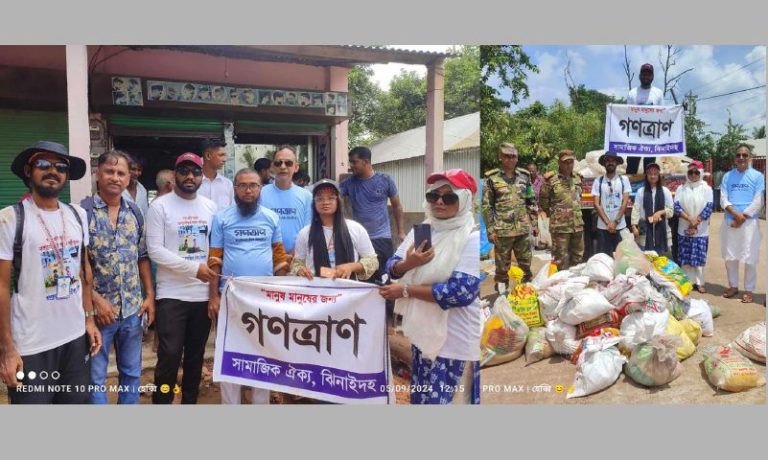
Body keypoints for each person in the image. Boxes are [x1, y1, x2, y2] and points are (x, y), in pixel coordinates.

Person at [0, 141, 101, 403]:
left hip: (76, 338)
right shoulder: (10, 219)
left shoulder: (77, 215)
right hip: (31, 346)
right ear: (28, 170)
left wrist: (89, 320)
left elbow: (84, 273)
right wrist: (7, 349)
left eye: (60, 166)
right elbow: (1, 287)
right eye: (43, 164)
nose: (52, 171)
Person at [378, 169, 480, 404]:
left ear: (464, 200)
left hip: (454, 341)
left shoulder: (471, 237)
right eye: (434, 196)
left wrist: (405, 290)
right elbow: (391, 266)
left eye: (449, 197)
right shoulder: (425, 229)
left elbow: (459, 292)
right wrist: (409, 263)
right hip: (423, 335)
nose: (440, 202)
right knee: (422, 399)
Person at [208, 168, 288, 405]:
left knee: (261, 352)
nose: (248, 190)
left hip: (263, 297)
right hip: (231, 297)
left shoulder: (271, 217)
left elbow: (280, 259)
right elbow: (214, 259)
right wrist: (213, 296)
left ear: (260, 188)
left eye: (253, 185)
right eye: (242, 185)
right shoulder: (222, 217)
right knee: (229, 353)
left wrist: (280, 294)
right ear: (234, 189)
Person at [83, 151, 155, 404]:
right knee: (95, 377)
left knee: (132, 373)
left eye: (121, 173)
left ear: (128, 178)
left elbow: (142, 256)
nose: (115, 177)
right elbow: (77, 267)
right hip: (98, 314)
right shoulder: (83, 213)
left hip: (132, 311)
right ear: (98, 174)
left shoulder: (134, 213)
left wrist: (149, 296)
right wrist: (95, 302)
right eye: (109, 172)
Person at [146, 152, 218, 404]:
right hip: (172, 295)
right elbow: (154, 251)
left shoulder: (210, 207)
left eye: (195, 172)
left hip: (201, 296)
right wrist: (193, 269)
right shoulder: (159, 206)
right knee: (170, 355)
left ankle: (190, 402)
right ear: (175, 174)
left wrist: (213, 293)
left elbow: (214, 250)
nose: (190, 176)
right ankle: (162, 403)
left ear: (202, 175)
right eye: (184, 171)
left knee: (196, 357)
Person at [340, 146, 406, 285]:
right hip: (359, 240)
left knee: (384, 279)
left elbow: (397, 206)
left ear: (365, 162)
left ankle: (387, 307)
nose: (351, 166)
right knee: (363, 281)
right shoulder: (348, 184)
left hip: (382, 238)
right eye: (350, 162)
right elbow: (333, 197)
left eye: (354, 162)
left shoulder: (385, 180)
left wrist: (401, 232)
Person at [291, 179, 378, 282]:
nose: (325, 202)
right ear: (314, 203)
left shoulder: (355, 228)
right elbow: (297, 263)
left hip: (348, 291)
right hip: (316, 290)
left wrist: (351, 266)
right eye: (320, 199)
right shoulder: (305, 233)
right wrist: (300, 270)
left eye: (331, 198)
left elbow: (372, 261)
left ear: (338, 201)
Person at [482, 143, 538, 286]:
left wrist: (534, 224)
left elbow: (531, 202)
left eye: (513, 156)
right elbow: (487, 206)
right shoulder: (492, 179)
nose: (511, 159)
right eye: (507, 156)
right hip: (502, 232)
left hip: (522, 230)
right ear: (500, 157)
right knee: (502, 269)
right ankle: (502, 296)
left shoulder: (525, 177)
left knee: (525, 266)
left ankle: (526, 295)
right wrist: (490, 230)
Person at [720, 144, 765, 304]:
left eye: (744, 155)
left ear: (750, 157)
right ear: (734, 158)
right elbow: (723, 198)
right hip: (730, 221)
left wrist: (743, 216)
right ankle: (733, 286)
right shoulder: (727, 176)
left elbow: (759, 200)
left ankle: (749, 289)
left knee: (750, 256)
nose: (741, 158)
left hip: (749, 222)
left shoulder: (757, 176)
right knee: (730, 255)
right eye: (738, 155)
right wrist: (735, 215)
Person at [259, 145, 313, 256]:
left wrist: (291, 255)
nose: (283, 167)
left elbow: (309, 231)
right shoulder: (260, 193)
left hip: (297, 258)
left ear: (296, 167)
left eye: (288, 163)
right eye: (278, 163)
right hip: (266, 258)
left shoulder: (306, 196)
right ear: (273, 167)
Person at [539, 150, 584, 270]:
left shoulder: (578, 178)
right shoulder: (551, 180)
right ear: (559, 162)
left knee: (578, 257)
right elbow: (543, 201)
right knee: (561, 259)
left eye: (571, 162)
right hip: (560, 227)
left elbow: (580, 198)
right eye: (566, 162)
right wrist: (554, 215)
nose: (569, 165)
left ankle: (575, 284)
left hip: (577, 225)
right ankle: (561, 285)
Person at [674, 161, 713, 293]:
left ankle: (700, 282)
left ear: (700, 173)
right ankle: (687, 282)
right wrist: (689, 219)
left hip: (701, 229)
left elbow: (709, 207)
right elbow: (677, 206)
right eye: (690, 172)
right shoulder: (681, 188)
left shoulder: (706, 188)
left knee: (699, 256)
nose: (693, 175)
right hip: (684, 227)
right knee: (685, 256)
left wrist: (696, 221)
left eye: (696, 172)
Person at [626, 63, 666, 174]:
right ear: (640, 75)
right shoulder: (632, 93)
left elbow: (663, 114)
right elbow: (626, 114)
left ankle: (648, 190)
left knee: (649, 167)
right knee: (631, 166)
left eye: (649, 74)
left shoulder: (658, 93)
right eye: (644, 74)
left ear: (652, 76)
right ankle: (630, 190)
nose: (646, 76)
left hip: (651, 137)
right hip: (635, 136)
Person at [592, 151, 631, 256]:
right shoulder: (598, 181)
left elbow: (625, 202)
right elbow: (596, 204)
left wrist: (615, 222)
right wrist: (608, 223)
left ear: (617, 163)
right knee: (603, 258)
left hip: (620, 227)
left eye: (613, 160)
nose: (610, 163)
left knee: (622, 258)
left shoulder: (624, 180)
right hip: (603, 228)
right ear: (604, 164)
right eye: (607, 161)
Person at [631, 162, 673, 255]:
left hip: (661, 231)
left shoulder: (665, 191)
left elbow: (671, 211)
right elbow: (636, 209)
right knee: (645, 259)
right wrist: (634, 227)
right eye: (650, 173)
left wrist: (660, 212)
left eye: (655, 174)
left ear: (659, 175)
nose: (652, 176)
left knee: (660, 261)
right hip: (644, 231)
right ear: (646, 175)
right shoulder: (640, 191)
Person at [198, 138, 234, 210]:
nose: (225, 159)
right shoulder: (193, 183)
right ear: (208, 156)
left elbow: (231, 211)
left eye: (225, 155)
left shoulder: (227, 184)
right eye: (221, 155)